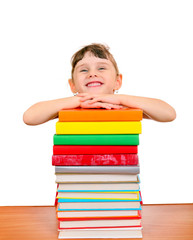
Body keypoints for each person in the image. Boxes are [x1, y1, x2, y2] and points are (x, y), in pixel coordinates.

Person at [23, 43, 176, 125]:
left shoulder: (122, 108)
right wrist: (79, 100)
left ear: (118, 81)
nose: (92, 74)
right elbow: (29, 117)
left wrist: (119, 99)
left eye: (101, 68)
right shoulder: (71, 108)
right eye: (83, 70)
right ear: (73, 85)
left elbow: (168, 114)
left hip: (119, 175)